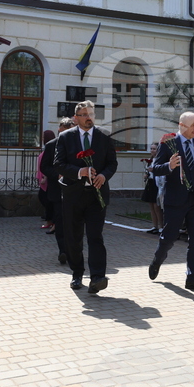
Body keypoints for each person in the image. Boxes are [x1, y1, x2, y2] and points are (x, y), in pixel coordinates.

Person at [148, 112, 194, 292]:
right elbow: (155, 168)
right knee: (169, 237)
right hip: (175, 199)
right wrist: (169, 166)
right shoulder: (168, 143)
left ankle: (193, 277)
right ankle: (157, 260)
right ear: (182, 125)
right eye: (193, 125)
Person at [55, 101, 118, 294]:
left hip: (96, 196)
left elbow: (112, 163)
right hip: (73, 195)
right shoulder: (66, 137)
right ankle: (77, 273)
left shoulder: (104, 136)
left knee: (95, 236)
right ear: (76, 118)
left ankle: (97, 277)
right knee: (74, 238)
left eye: (90, 113)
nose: (88, 117)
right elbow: (58, 164)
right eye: (84, 114)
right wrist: (79, 171)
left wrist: (104, 175)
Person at [41, 119, 74, 263]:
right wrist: (57, 175)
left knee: (74, 223)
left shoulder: (77, 145)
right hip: (58, 190)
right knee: (60, 222)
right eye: (63, 130)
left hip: (75, 191)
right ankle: (63, 251)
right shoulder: (51, 145)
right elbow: (44, 166)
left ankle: (74, 250)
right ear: (59, 130)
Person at [37, 130, 57, 232]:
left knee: (47, 200)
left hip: (48, 179)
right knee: (45, 199)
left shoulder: (51, 148)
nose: (42, 139)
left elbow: (49, 164)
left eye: (43, 137)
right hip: (43, 178)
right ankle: (50, 220)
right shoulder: (47, 147)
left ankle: (52, 221)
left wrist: (45, 177)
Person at [141, 141, 162, 234]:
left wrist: (154, 170)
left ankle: (161, 226)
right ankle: (155, 226)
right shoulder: (151, 160)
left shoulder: (160, 160)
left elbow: (162, 172)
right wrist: (146, 174)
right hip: (150, 183)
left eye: (154, 149)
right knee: (151, 206)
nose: (152, 151)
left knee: (157, 206)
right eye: (151, 149)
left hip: (157, 183)